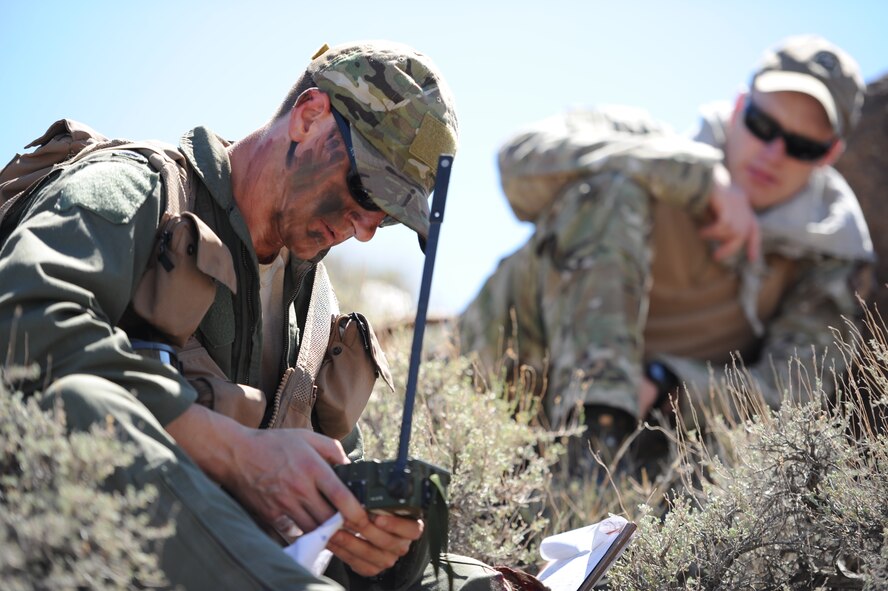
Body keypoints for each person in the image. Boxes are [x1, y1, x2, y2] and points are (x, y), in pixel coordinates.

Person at [0, 41, 498, 590]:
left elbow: (319, 485)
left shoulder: (313, 309)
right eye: (364, 190)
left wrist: (372, 536)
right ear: (309, 118)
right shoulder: (135, 189)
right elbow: (24, 317)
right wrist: (237, 455)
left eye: (386, 218)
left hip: (240, 554)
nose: (362, 229)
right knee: (85, 404)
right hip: (84, 532)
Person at [458, 35, 873, 471]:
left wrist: (670, 384)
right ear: (738, 107)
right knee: (613, 188)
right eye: (763, 126)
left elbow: (793, 392)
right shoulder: (654, 143)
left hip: (652, 431)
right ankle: (590, 443)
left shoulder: (830, 252)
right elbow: (516, 162)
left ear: (829, 155)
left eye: (801, 146)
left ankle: (598, 448)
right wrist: (691, 176)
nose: (772, 154)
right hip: (506, 369)